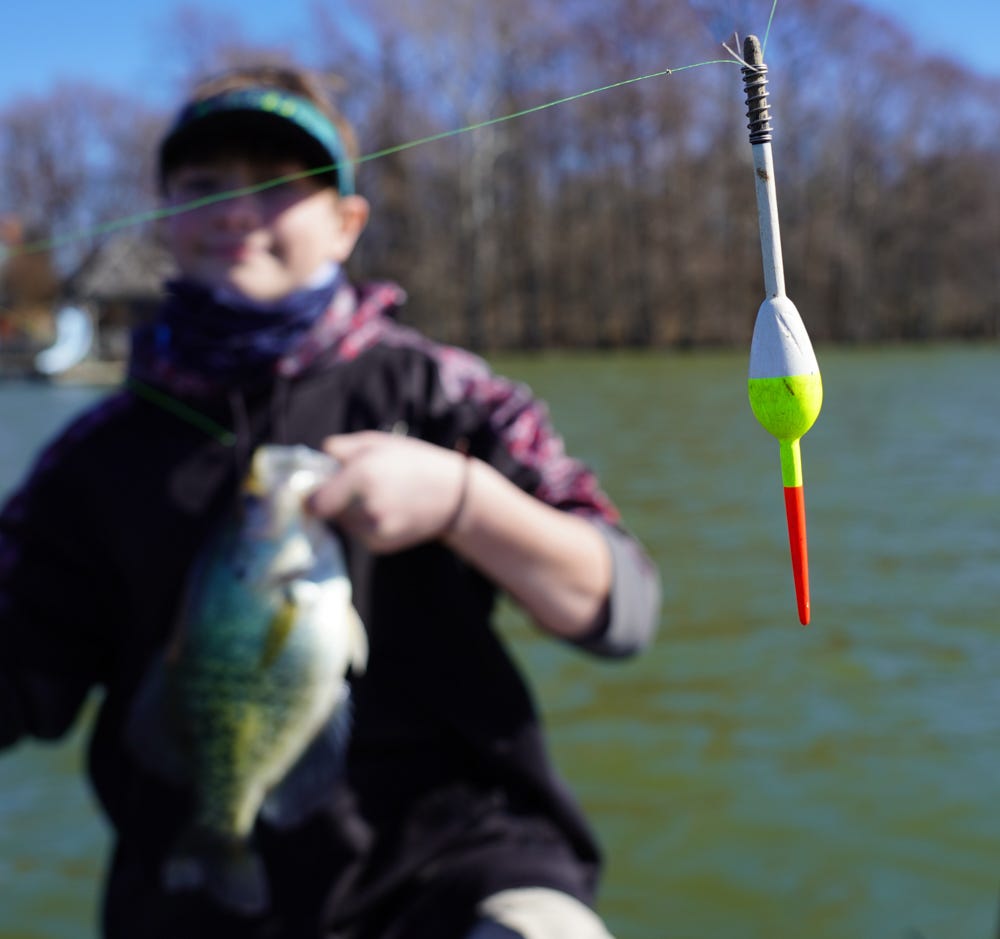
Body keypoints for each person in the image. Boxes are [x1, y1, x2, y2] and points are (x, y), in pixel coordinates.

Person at [0, 64, 660, 939]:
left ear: (347, 225)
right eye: (204, 186)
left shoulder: (444, 393)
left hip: (462, 871)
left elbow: (620, 607)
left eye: (277, 187)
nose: (238, 212)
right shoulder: (92, 459)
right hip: (191, 901)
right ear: (165, 212)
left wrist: (464, 499)